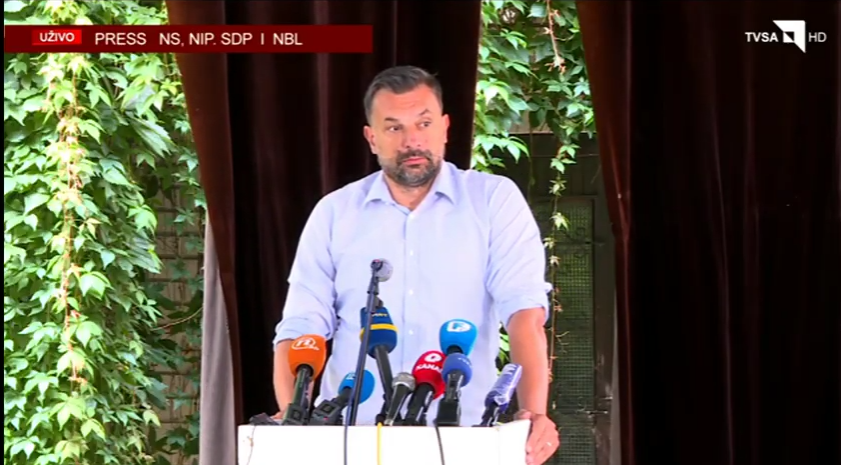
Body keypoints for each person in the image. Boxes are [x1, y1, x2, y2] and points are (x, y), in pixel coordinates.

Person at [272, 65, 560, 465]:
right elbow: (302, 326)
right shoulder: (335, 213)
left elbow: (524, 313)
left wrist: (533, 411)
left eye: (424, 124)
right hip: (348, 440)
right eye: (394, 128)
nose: (412, 141)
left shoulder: (493, 201)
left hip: (462, 439)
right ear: (371, 138)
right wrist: (292, 417)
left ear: (445, 128)